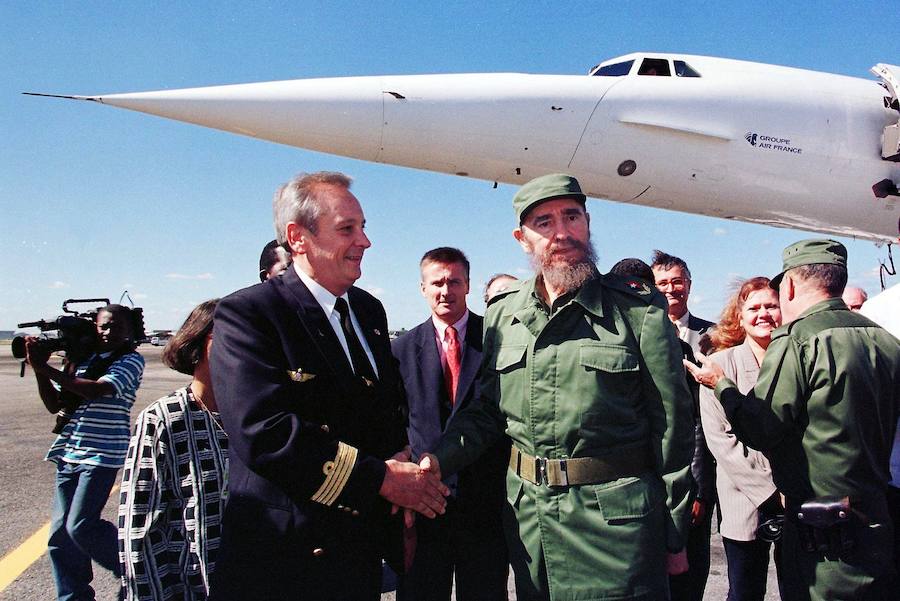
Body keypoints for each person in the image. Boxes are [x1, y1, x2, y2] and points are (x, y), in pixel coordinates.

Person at [427, 173, 695, 600]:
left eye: (572, 217)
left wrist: (674, 532)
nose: (562, 232)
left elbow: (673, 427)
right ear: (522, 239)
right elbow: (489, 410)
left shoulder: (637, 312)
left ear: (587, 223)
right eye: (544, 222)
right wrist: (436, 462)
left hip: (617, 532)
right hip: (531, 527)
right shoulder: (504, 313)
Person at [208, 171, 448, 601]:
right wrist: (382, 479)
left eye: (363, 227)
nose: (364, 241)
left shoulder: (368, 310)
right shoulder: (251, 313)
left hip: (356, 555)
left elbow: (383, 409)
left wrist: (408, 463)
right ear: (298, 238)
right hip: (285, 561)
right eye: (346, 229)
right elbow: (263, 432)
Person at [686, 239, 900, 600]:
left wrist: (722, 386)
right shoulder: (883, 338)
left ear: (788, 286)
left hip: (823, 530)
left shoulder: (798, 339)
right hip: (876, 517)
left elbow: (762, 427)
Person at [392, 247, 508, 601]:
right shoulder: (400, 350)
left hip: (485, 503)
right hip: (424, 504)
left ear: (468, 285)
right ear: (422, 288)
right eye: (437, 283)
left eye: (454, 282)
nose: (446, 291)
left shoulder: (497, 341)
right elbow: (395, 423)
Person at [25, 304, 144, 601]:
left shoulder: (130, 360)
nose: (108, 332)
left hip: (102, 452)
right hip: (70, 452)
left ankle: (137, 568)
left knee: (81, 525)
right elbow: (54, 404)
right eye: (103, 326)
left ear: (130, 331)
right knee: (60, 536)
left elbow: (95, 390)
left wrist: (45, 367)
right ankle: (73, 596)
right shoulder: (82, 361)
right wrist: (40, 370)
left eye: (116, 326)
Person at [119, 299, 227, 600]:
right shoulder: (164, 419)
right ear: (197, 344)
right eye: (228, 337)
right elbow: (139, 526)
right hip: (190, 587)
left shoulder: (260, 417)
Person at [700, 278, 784, 601]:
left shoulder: (794, 359)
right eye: (754, 308)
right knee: (744, 592)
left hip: (793, 496)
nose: (763, 314)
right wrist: (771, 492)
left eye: (771, 306)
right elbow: (720, 440)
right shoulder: (721, 365)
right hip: (744, 498)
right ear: (740, 315)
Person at [651, 250, 716, 601]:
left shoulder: (713, 335)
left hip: (698, 468)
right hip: (651, 476)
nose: (670, 289)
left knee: (692, 568)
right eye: (661, 282)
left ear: (689, 285)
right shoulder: (638, 334)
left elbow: (703, 420)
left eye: (677, 281)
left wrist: (701, 488)